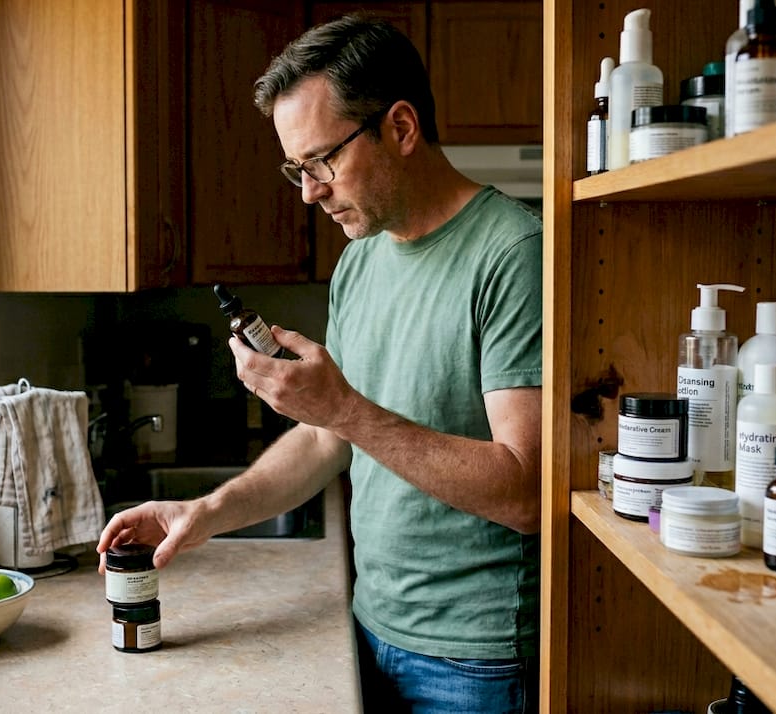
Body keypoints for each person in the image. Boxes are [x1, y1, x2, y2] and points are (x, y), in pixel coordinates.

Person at [98, 14, 543, 712]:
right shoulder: (360, 261)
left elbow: (526, 493)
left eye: (321, 161)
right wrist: (205, 511)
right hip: (368, 627)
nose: (308, 192)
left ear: (400, 128)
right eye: (295, 168)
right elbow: (328, 439)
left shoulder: (512, 255)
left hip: (475, 660)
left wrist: (340, 406)